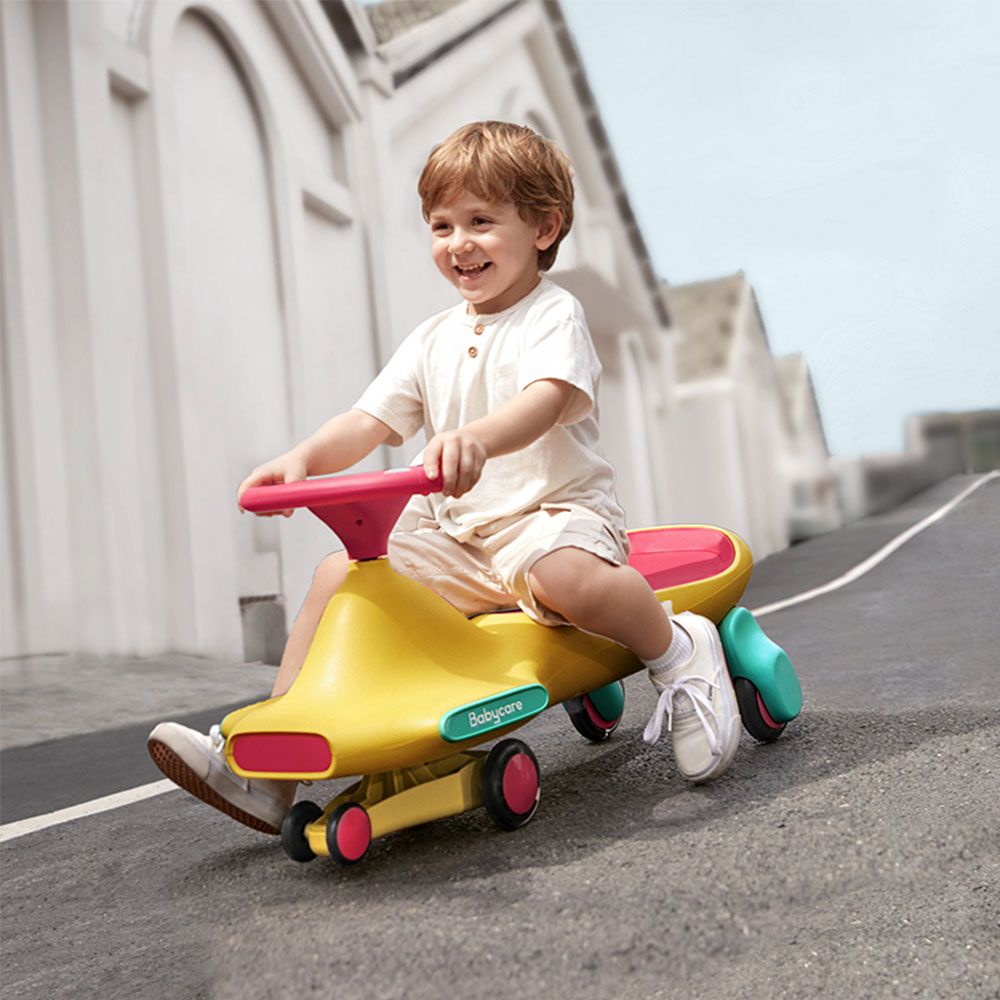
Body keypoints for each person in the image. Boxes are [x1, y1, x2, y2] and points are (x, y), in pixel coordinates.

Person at [147, 121, 741, 835]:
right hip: (459, 536)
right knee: (342, 574)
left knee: (566, 580)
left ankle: (678, 652)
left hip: (550, 514)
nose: (459, 243)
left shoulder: (553, 314)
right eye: (442, 225)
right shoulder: (430, 339)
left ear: (545, 227)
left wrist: (478, 440)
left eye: (482, 222)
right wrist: (301, 459)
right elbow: (367, 421)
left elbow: (545, 401)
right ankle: (270, 773)